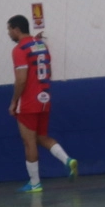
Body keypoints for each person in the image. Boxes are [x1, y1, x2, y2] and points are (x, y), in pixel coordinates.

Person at [8, 15, 77, 192]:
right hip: (45, 98)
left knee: (28, 141)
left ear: (16, 29)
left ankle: (35, 182)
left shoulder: (19, 49)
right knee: (41, 137)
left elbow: (21, 80)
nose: (8, 33)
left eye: (9, 29)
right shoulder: (41, 45)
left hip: (29, 101)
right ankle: (67, 160)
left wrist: (14, 101)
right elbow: (49, 71)